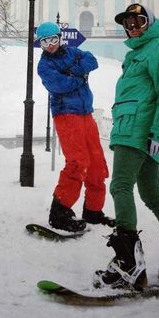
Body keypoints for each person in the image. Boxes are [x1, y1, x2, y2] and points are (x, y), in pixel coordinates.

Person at [95, 3, 159, 290]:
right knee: (152, 194)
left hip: (138, 133)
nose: (132, 26)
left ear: (149, 22)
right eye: (128, 23)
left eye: (138, 21)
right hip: (134, 129)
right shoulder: (135, 55)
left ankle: (128, 264)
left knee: (120, 186)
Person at [36, 21, 111, 232]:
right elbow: (60, 85)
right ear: (40, 44)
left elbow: (92, 61)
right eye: (45, 42)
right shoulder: (44, 66)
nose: (50, 45)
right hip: (66, 115)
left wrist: (73, 71)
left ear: (60, 38)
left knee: (96, 162)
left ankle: (93, 210)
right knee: (78, 161)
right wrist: (80, 76)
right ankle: (59, 211)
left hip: (86, 113)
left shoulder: (73, 52)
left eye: (53, 39)